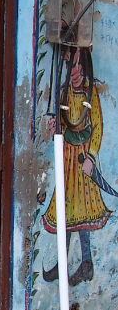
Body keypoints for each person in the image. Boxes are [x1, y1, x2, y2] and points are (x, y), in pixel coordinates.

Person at [43, 46, 110, 287]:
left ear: (83, 65)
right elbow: (61, 124)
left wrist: (91, 157)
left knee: (82, 210)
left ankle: (86, 263)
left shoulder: (90, 92)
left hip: (82, 160)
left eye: (74, 63)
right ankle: (63, 262)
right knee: (66, 208)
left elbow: (98, 126)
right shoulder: (63, 92)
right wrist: (53, 128)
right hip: (68, 159)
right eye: (67, 62)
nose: (71, 69)